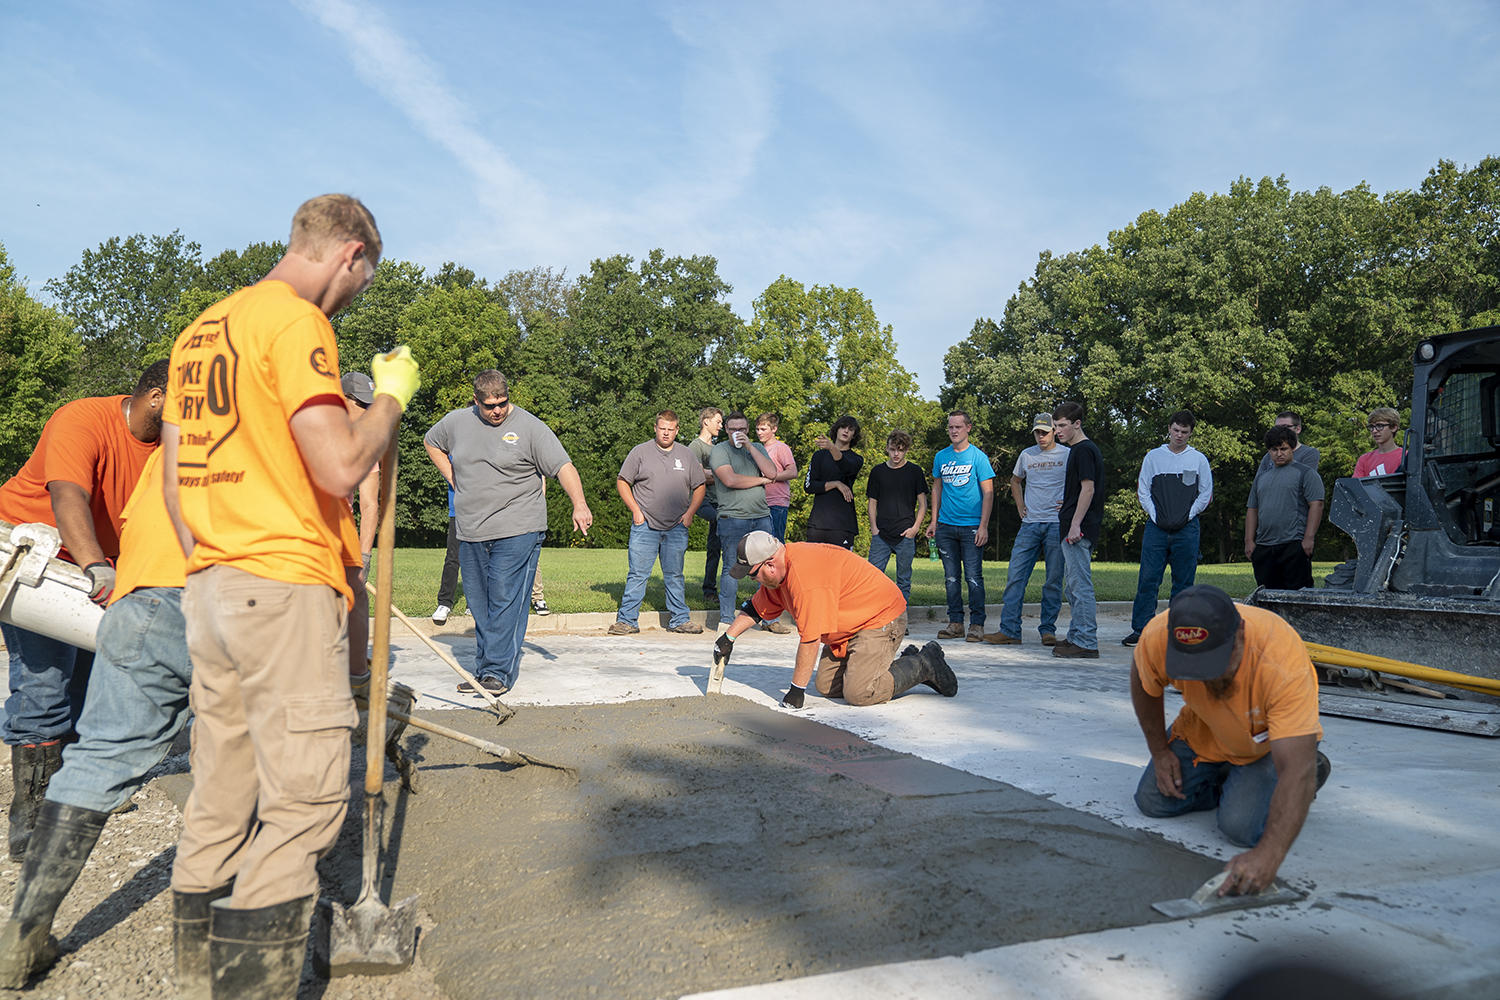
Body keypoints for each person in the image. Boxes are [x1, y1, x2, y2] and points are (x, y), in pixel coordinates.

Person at [161, 193, 417, 999]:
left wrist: (214, 555)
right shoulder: (297, 323)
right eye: (362, 280)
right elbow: (340, 467)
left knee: (223, 788)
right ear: (349, 254)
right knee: (305, 799)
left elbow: (173, 479)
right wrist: (390, 401)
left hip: (209, 584)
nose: (354, 295)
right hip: (281, 586)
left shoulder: (201, 330)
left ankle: (195, 972)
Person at [0, 449, 189, 987]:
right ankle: (221, 948)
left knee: (97, 755)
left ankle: (23, 933)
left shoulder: (174, 444)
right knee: (253, 758)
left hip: (143, 600)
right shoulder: (296, 440)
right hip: (236, 599)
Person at [0, 360, 167, 860]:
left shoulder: (172, 448)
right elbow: (68, 494)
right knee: (45, 684)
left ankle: (72, 794)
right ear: (157, 397)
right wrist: (97, 565)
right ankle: (30, 818)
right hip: (35, 556)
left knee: (94, 683)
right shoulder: (83, 419)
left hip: (103, 566)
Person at [1131, 585, 1329, 894]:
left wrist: (1269, 855)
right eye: (1194, 665)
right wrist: (1159, 751)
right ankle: (1236, 779)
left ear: (1240, 633)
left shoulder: (1280, 659)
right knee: (1154, 801)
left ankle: (1308, 773)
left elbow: (1295, 769)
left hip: (1264, 744)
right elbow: (1143, 682)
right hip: (1205, 729)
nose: (1207, 678)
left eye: (1214, 662)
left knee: (1241, 826)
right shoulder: (1159, 636)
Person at [425, 370, 592, 695]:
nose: (497, 410)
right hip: (471, 529)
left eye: (502, 403)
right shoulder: (456, 423)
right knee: (481, 601)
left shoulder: (530, 427)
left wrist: (580, 504)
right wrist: (453, 478)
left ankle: (496, 673)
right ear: (476, 401)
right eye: (490, 405)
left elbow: (563, 466)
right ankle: (487, 668)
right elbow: (432, 442)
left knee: (504, 597)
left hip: (519, 527)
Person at [714, 531, 957, 708]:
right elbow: (757, 608)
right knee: (826, 685)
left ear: (769, 565)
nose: (753, 580)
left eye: (752, 575)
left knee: (860, 692)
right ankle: (891, 665)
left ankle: (924, 663)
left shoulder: (805, 577)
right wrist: (729, 637)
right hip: (851, 626)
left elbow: (809, 641)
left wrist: (796, 692)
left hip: (880, 618)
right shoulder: (778, 574)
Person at [609, 410, 707, 635]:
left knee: (675, 575)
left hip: (676, 527)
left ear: (677, 430)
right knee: (638, 574)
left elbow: (700, 486)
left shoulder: (686, 455)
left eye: (670, 429)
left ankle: (679, 619)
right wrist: (635, 510)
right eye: (662, 428)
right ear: (655, 428)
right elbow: (623, 481)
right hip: (645, 525)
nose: (666, 433)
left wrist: (690, 513)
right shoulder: (640, 452)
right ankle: (627, 621)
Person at [1123, 410, 1214, 647]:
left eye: (1185, 432)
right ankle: (1141, 629)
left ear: (1191, 433)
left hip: (1187, 529)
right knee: (1148, 579)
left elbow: (1206, 493)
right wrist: (1155, 516)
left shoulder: (1198, 459)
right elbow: (1143, 490)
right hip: (1156, 529)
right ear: (1169, 429)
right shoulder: (1154, 457)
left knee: (1184, 582)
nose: (1179, 435)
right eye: (1176, 430)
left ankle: (1179, 631)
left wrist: (1188, 515)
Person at [985, 413, 1068, 646]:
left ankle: (1048, 630)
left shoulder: (1067, 455)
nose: (1041, 436)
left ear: (1054, 432)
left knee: (1053, 579)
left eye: (1045, 432)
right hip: (1029, 525)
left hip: (1056, 524)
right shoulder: (1027, 455)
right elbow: (1015, 481)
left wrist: (1068, 504)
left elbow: (1081, 483)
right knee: (1015, 576)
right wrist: (1021, 505)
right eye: (1037, 432)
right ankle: (1010, 630)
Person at [709, 411, 783, 632]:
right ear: (726, 430)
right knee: (731, 568)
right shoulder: (719, 450)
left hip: (761, 516)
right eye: (732, 429)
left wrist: (751, 447)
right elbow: (730, 480)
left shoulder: (757, 448)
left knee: (769, 568)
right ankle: (725, 618)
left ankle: (769, 617)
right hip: (733, 518)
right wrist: (761, 480)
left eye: (741, 429)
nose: (737, 433)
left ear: (748, 430)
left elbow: (773, 472)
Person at [926, 411, 995, 642]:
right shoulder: (941, 457)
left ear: (968, 428)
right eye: (950, 427)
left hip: (971, 527)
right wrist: (934, 521)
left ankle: (977, 624)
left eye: (958, 427)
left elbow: (988, 493)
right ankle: (956, 623)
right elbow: (937, 489)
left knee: (974, 578)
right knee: (951, 578)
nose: (954, 431)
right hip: (946, 527)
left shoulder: (978, 457)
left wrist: (983, 526)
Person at [1052, 402, 1104, 659]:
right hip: (1074, 523)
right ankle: (1076, 636)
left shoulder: (1083, 450)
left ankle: (1086, 641)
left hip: (1078, 530)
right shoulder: (1079, 450)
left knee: (1080, 585)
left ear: (1077, 424)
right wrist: (1069, 505)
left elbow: (1089, 489)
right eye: (1055, 426)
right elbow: (1081, 491)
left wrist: (1075, 524)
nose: (1057, 431)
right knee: (1071, 586)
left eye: (1062, 425)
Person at [1245, 425, 1324, 590]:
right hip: (1264, 546)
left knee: (1298, 598)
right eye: (1274, 450)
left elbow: (1316, 505)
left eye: (1283, 449)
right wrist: (1249, 541)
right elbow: (1252, 509)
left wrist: (1309, 538)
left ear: (1292, 448)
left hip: (1293, 543)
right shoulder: (1261, 478)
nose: (1279, 454)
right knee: (1268, 597)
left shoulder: (1306, 473)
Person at [865, 430, 928, 604]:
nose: (896, 454)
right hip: (881, 534)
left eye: (900, 450)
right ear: (887, 448)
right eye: (893, 449)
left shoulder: (915, 471)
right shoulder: (878, 471)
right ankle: (875, 618)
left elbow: (923, 503)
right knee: (873, 577)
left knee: (904, 580)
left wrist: (915, 529)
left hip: (906, 533)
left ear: (906, 450)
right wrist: (874, 529)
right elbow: (872, 502)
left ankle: (901, 618)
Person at [804, 415, 864, 549]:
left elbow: (846, 467)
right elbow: (809, 486)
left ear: (854, 435)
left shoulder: (856, 459)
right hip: (817, 524)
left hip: (843, 525)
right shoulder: (819, 456)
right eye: (843, 427)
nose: (846, 431)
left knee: (840, 568)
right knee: (813, 567)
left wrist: (832, 448)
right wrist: (836, 484)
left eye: (850, 429)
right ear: (836, 429)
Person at [689, 407, 724, 603]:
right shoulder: (696, 446)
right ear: (706, 422)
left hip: (721, 502)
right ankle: (709, 590)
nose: (721, 425)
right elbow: (698, 476)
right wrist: (723, 475)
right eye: (718, 421)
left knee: (715, 547)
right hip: (703, 500)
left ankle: (711, 590)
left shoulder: (718, 449)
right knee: (721, 520)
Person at [755, 413, 798, 541]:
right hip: (760, 503)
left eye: (763, 429)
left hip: (776, 503)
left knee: (775, 543)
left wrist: (772, 477)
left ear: (774, 429)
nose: (759, 433)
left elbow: (792, 472)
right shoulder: (758, 450)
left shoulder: (781, 448)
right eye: (757, 429)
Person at [434, 484, 460, 624]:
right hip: (458, 510)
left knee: (479, 558)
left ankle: (474, 603)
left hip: (482, 510)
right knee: (452, 557)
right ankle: (444, 603)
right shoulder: (453, 460)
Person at [1353, 407, 1404, 478]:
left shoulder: (1405, 457)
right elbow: (1356, 487)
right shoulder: (1364, 459)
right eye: (1371, 427)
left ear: (1393, 427)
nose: (1374, 431)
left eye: (1380, 426)